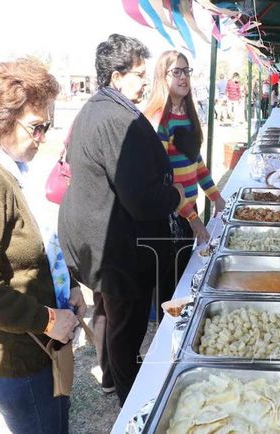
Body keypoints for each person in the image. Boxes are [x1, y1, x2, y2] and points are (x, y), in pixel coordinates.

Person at [58, 34, 185, 406]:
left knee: (115, 315)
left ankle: (115, 378)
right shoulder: (114, 118)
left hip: (100, 236)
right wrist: (175, 196)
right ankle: (131, 400)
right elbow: (140, 198)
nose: (146, 80)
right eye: (139, 73)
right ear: (116, 76)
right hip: (112, 244)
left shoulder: (100, 107)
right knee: (125, 325)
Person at [0, 59, 85, 433]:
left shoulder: (5, 167)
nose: (43, 137)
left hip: (36, 345)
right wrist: (49, 319)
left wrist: (70, 286)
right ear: (1, 119)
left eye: (47, 127)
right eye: (37, 127)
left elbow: (35, 245)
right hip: (17, 358)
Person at [144, 50, 225, 310]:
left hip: (190, 209)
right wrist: (193, 219)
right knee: (172, 284)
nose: (183, 77)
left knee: (183, 273)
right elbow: (165, 181)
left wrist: (216, 196)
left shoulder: (188, 115)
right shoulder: (159, 119)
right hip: (172, 215)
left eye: (186, 71)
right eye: (175, 72)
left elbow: (196, 162)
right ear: (162, 76)